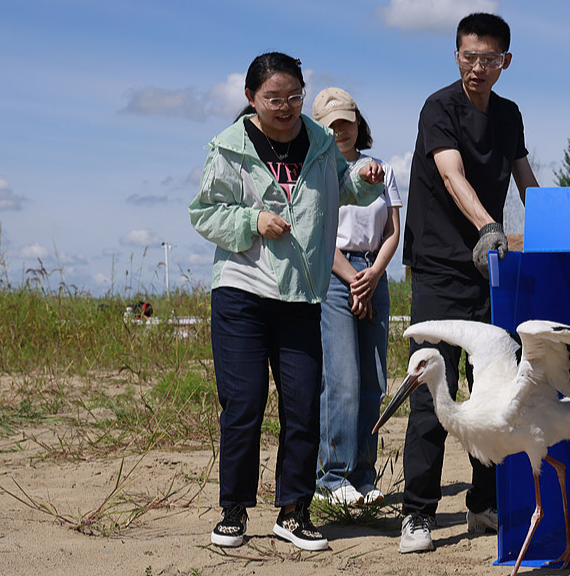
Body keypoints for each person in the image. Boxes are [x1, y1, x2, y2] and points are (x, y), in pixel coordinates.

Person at [189, 52, 383, 552]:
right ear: (251, 98)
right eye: (274, 98)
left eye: (294, 97)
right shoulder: (229, 148)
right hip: (242, 290)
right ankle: (234, 508)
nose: (286, 107)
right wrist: (252, 221)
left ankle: (293, 512)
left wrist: (363, 180)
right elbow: (205, 213)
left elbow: (341, 189)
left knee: (301, 405)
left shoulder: (319, 142)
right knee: (244, 402)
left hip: (300, 291)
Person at [399, 12, 539, 554]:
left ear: (505, 62)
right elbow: (452, 172)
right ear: (456, 55)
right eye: (467, 56)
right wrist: (488, 226)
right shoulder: (440, 108)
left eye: (487, 59)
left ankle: (484, 504)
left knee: (496, 388)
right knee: (432, 386)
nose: (476, 68)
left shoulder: (508, 115)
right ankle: (417, 514)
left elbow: (525, 178)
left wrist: (552, 227)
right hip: (441, 266)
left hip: (494, 269)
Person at [310, 87, 402, 506]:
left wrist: (373, 274)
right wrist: (352, 278)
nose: (340, 131)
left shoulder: (382, 169)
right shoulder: (317, 171)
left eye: (346, 121)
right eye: (331, 125)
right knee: (342, 377)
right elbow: (316, 232)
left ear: (358, 122)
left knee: (374, 379)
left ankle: (363, 475)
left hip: (374, 272)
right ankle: (332, 476)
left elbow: (392, 230)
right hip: (335, 274)